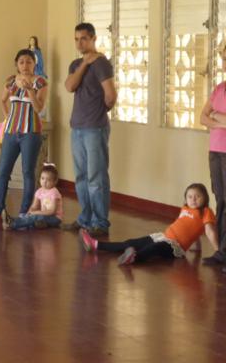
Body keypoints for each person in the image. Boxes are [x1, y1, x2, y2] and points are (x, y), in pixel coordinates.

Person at [62, 22, 117, 237]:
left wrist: (100, 113)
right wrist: (85, 64)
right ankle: (85, 219)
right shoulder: (76, 64)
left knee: (96, 177)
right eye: (76, 39)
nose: (79, 43)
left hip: (95, 128)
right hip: (76, 127)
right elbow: (69, 86)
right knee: (81, 176)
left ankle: (100, 222)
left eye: (84, 38)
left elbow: (111, 96)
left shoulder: (102, 63)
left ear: (93, 39)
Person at [79, 183, 219, 265]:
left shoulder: (206, 211)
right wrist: (197, 247)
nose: (193, 199)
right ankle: (96, 244)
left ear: (205, 198)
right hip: (163, 236)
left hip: (175, 247)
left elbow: (209, 231)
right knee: (131, 242)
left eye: (197, 196)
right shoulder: (185, 209)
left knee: (154, 248)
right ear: (186, 199)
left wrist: (219, 251)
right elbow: (190, 228)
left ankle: (134, 258)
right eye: (190, 196)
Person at [0, 49, 48, 224]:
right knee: (3, 171)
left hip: (31, 133)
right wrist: (8, 118)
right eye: (21, 62)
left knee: (28, 172)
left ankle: (24, 213)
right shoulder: (11, 81)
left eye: (29, 62)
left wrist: (30, 90)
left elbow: (38, 108)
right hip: (11, 132)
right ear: (16, 64)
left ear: (35, 64)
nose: (25, 65)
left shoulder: (41, 82)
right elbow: (2, 100)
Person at [200, 46, 226, 268]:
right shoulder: (219, 88)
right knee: (221, 200)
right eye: (224, 59)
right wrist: (220, 120)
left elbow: (210, 117)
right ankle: (222, 251)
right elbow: (202, 117)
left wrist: (216, 117)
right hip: (215, 152)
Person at [2, 164, 62, 231]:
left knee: (37, 217)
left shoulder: (54, 192)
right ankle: (11, 220)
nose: (44, 182)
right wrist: (29, 212)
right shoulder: (39, 191)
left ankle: (12, 224)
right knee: (27, 216)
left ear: (54, 182)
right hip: (44, 216)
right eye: (42, 178)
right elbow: (34, 206)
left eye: (48, 180)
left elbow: (52, 211)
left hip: (54, 218)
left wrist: (36, 213)